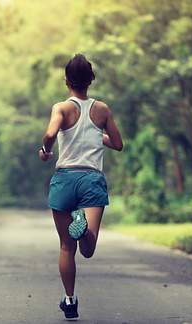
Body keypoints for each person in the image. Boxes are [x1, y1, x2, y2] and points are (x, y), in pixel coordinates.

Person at [38, 53, 123, 320]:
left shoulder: (61, 108)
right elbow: (118, 144)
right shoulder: (102, 110)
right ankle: (83, 228)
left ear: (66, 81)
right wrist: (99, 135)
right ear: (91, 80)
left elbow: (51, 134)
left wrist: (45, 150)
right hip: (91, 180)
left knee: (66, 246)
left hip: (64, 179)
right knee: (87, 249)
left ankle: (70, 300)